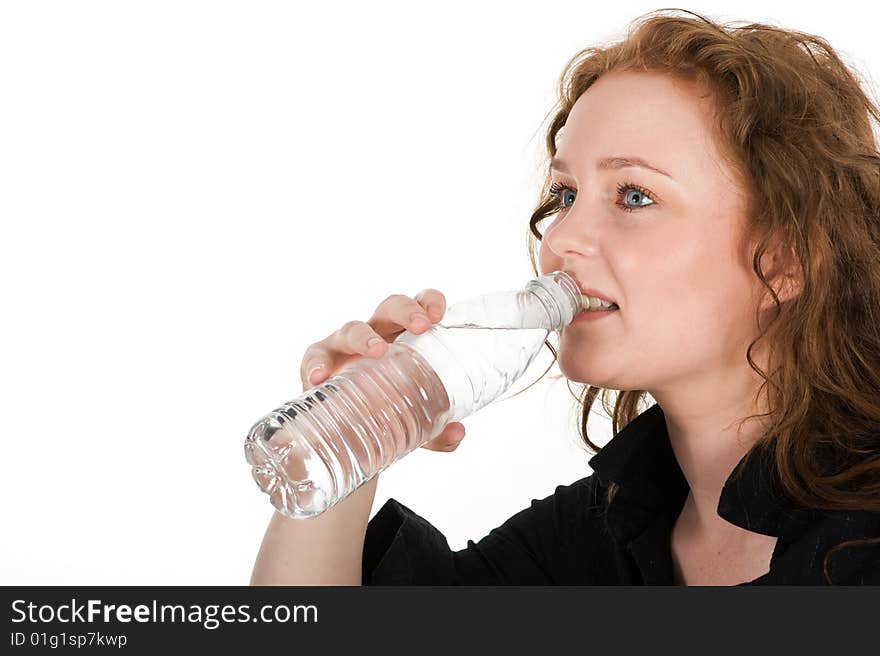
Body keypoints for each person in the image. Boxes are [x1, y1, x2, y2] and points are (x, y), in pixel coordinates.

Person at [250, 9, 880, 586]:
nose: (561, 238)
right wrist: (350, 443)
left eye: (635, 196)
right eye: (566, 194)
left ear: (786, 258)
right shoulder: (599, 534)